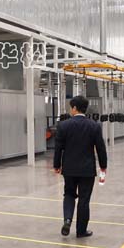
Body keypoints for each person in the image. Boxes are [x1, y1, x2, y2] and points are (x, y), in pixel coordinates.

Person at [53, 95, 107, 239]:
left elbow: (58, 148)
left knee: (69, 194)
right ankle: (81, 231)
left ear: (75, 108)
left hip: (69, 168)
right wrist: (103, 166)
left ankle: (67, 220)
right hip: (87, 169)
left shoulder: (64, 125)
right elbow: (101, 148)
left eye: (71, 107)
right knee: (84, 199)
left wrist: (57, 165)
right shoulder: (94, 126)